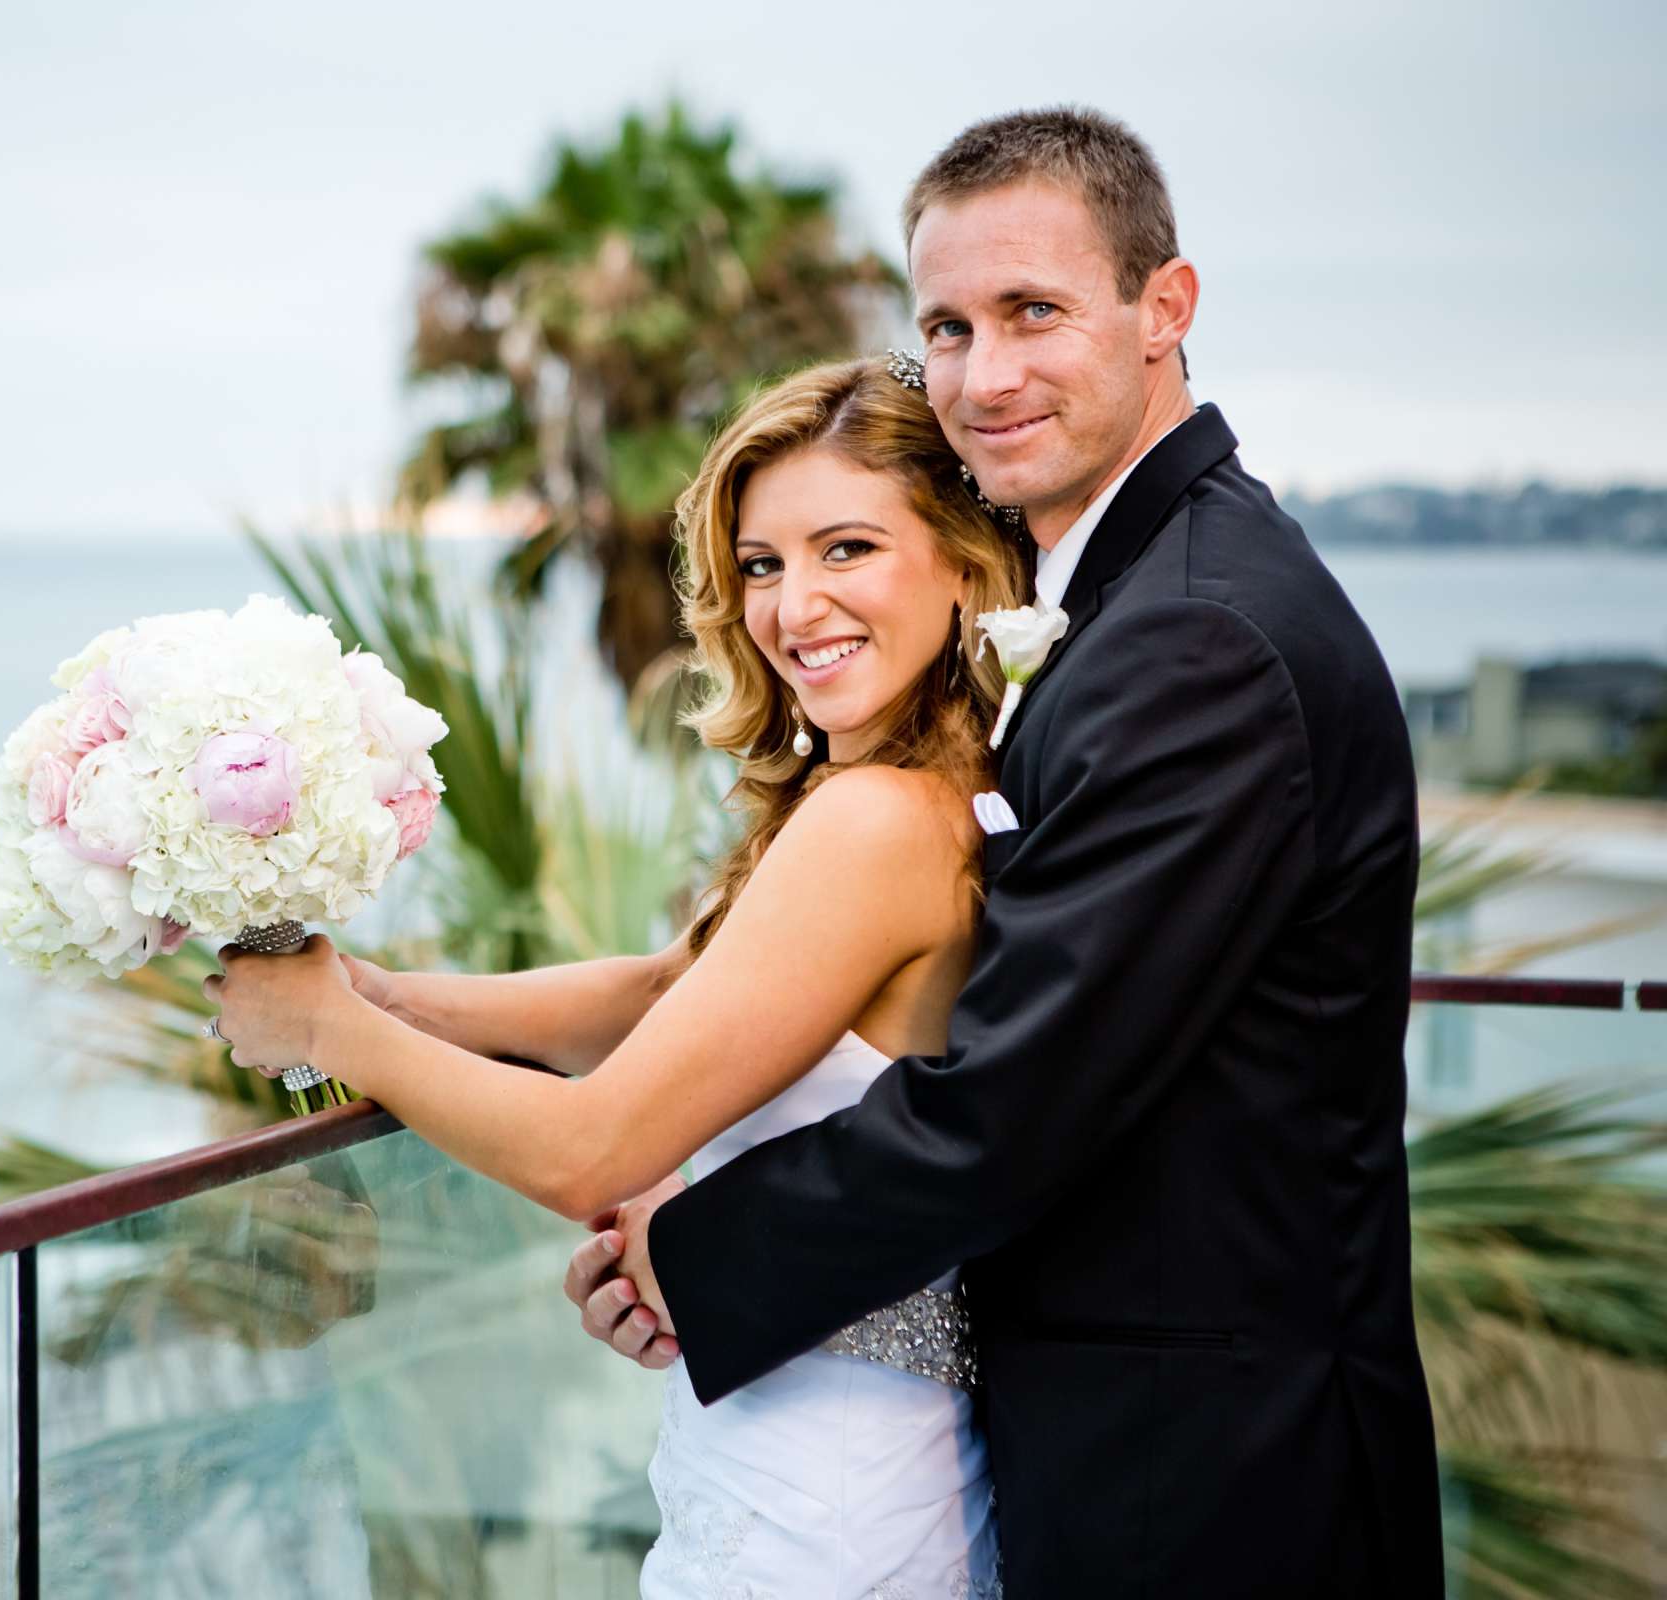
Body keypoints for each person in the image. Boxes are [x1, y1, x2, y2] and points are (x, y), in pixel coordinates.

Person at [560, 107, 1445, 1593]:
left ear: (1165, 307)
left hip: (1212, 1481)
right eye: (949, 327)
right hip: (1113, 1437)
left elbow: (1012, 1107)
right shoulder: (1129, 589)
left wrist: (699, 1253)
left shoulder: (1195, 637)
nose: (985, 375)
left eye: (1034, 312)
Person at [207, 352, 1028, 1596]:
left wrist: (332, 1029)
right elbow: (666, 990)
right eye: (762, 564)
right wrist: (385, 994)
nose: (795, 605)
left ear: (963, 560)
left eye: (846, 549)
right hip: (798, 1426)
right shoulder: (911, 798)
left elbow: (590, 1150)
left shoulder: (881, 823)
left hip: (832, 1495)